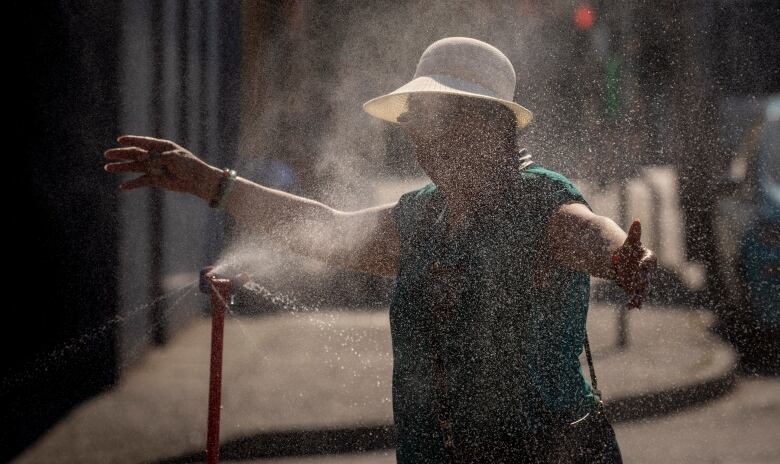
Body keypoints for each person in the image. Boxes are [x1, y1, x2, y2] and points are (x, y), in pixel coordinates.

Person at [104, 37, 655, 463]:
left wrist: (618, 257)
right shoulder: (421, 217)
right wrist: (211, 183)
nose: (420, 137)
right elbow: (321, 227)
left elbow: (586, 229)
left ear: (490, 127)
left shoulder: (539, 202)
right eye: (415, 122)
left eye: (436, 120)